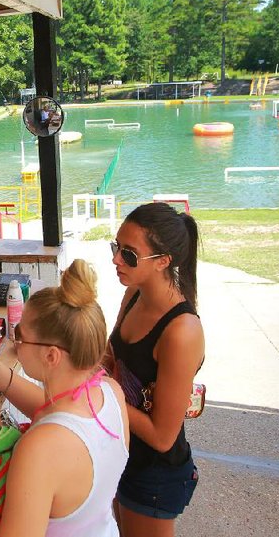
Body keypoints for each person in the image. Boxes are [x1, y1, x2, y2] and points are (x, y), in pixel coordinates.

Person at [0, 259, 130, 536]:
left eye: (19, 333)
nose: (15, 340)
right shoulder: (110, 392)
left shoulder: (40, 448)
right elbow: (50, 411)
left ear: (51, 355)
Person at [107, 202, 205, 537]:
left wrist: (107, 389)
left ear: (164, 261)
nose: (116, 259)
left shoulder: (181, 331)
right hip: (122, 451)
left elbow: (163, 437)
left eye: (129, 254)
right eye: (116, 247)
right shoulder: (134, 294)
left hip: (154, 474)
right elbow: (111, 357)